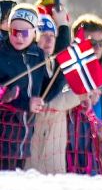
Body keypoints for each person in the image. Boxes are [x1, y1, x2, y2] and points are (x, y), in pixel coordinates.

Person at [0, 4, 69, 170]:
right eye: (14, 32)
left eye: (24, 33)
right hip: (3, 136)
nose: (19, 37)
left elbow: (48, 90)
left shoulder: (37, 55)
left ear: (33, 32)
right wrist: (22, 102)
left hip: (23, 139)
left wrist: (64, 29)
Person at [25, 13, 82, 173]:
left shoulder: (50, 65)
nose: (49, 40)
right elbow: (46, 102)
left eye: (52, 35)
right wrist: (80, 94)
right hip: (34, 151)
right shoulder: (31, 65)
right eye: (44, 35)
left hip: (54, 149)